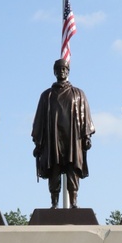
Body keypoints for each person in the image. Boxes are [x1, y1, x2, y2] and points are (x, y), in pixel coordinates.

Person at [32, 58, 94, 208]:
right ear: (54, 72)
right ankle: (54, 203)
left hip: (73, 138)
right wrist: (38, 143)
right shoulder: (46, 95)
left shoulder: (78, 94)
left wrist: (86, 136)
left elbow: (85, 116)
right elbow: (39, 119)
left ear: (68, 71)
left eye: (64, 69)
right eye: (58, 69)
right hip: (53, 139)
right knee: (54, 169)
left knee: (73, 170)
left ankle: (73, 202)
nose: (62, 71)